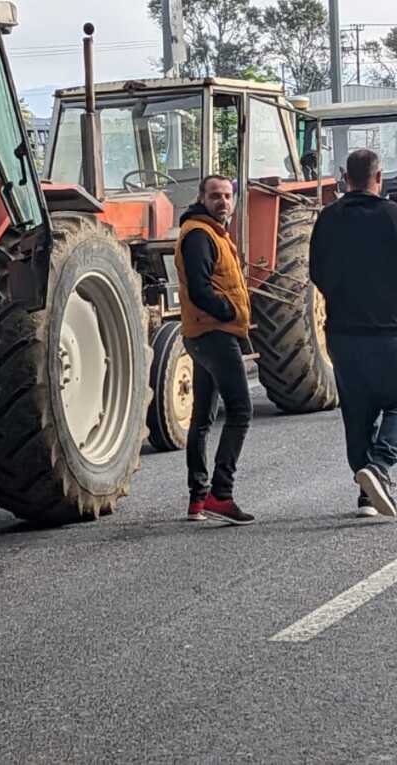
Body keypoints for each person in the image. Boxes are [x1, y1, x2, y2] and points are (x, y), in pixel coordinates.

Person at [310, 149, 397, 518]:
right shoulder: (395, 216)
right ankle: (379, 467)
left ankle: (366, 496)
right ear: (378, 178)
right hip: (392, 329)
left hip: (345, 333)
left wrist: (341, 301)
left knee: (358, 410)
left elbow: (317, 271)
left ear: (346, 178)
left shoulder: (328, 219)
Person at [175, 175, 255, 525]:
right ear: (201, 198)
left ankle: (197, 500)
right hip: (213, 333)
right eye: (215, 196)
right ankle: (220, 494)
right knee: (240, 409)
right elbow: (200, 289)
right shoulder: (199, 234)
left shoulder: (215, 233)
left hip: (205, 332)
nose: (222, 202)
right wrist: (231, 311)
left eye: (227, 196)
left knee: (203, 418)